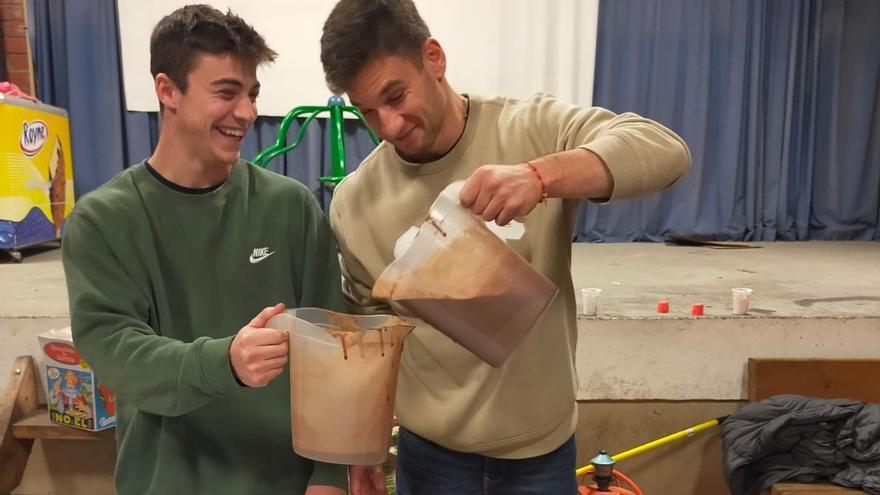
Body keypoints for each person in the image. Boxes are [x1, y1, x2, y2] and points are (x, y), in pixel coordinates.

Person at [320, 1, 693, 493]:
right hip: (430, 459)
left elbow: (664, 151)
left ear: (433, 58)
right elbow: (370, 340)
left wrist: (540, 176)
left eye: (396, 96)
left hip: (539, 453)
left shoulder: (529, 129)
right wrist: (361, 450)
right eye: (368, 111)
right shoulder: (357, 201)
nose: (388, 126)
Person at [62, 5, 348, 494]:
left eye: (252, 94)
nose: (247, 113)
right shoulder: (102, 221)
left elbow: (334, 349)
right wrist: (226, 363)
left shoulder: (291, 208)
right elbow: (115, 352)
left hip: (285, 481)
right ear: (167, 90)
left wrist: (330, 475)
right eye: (226, 93)